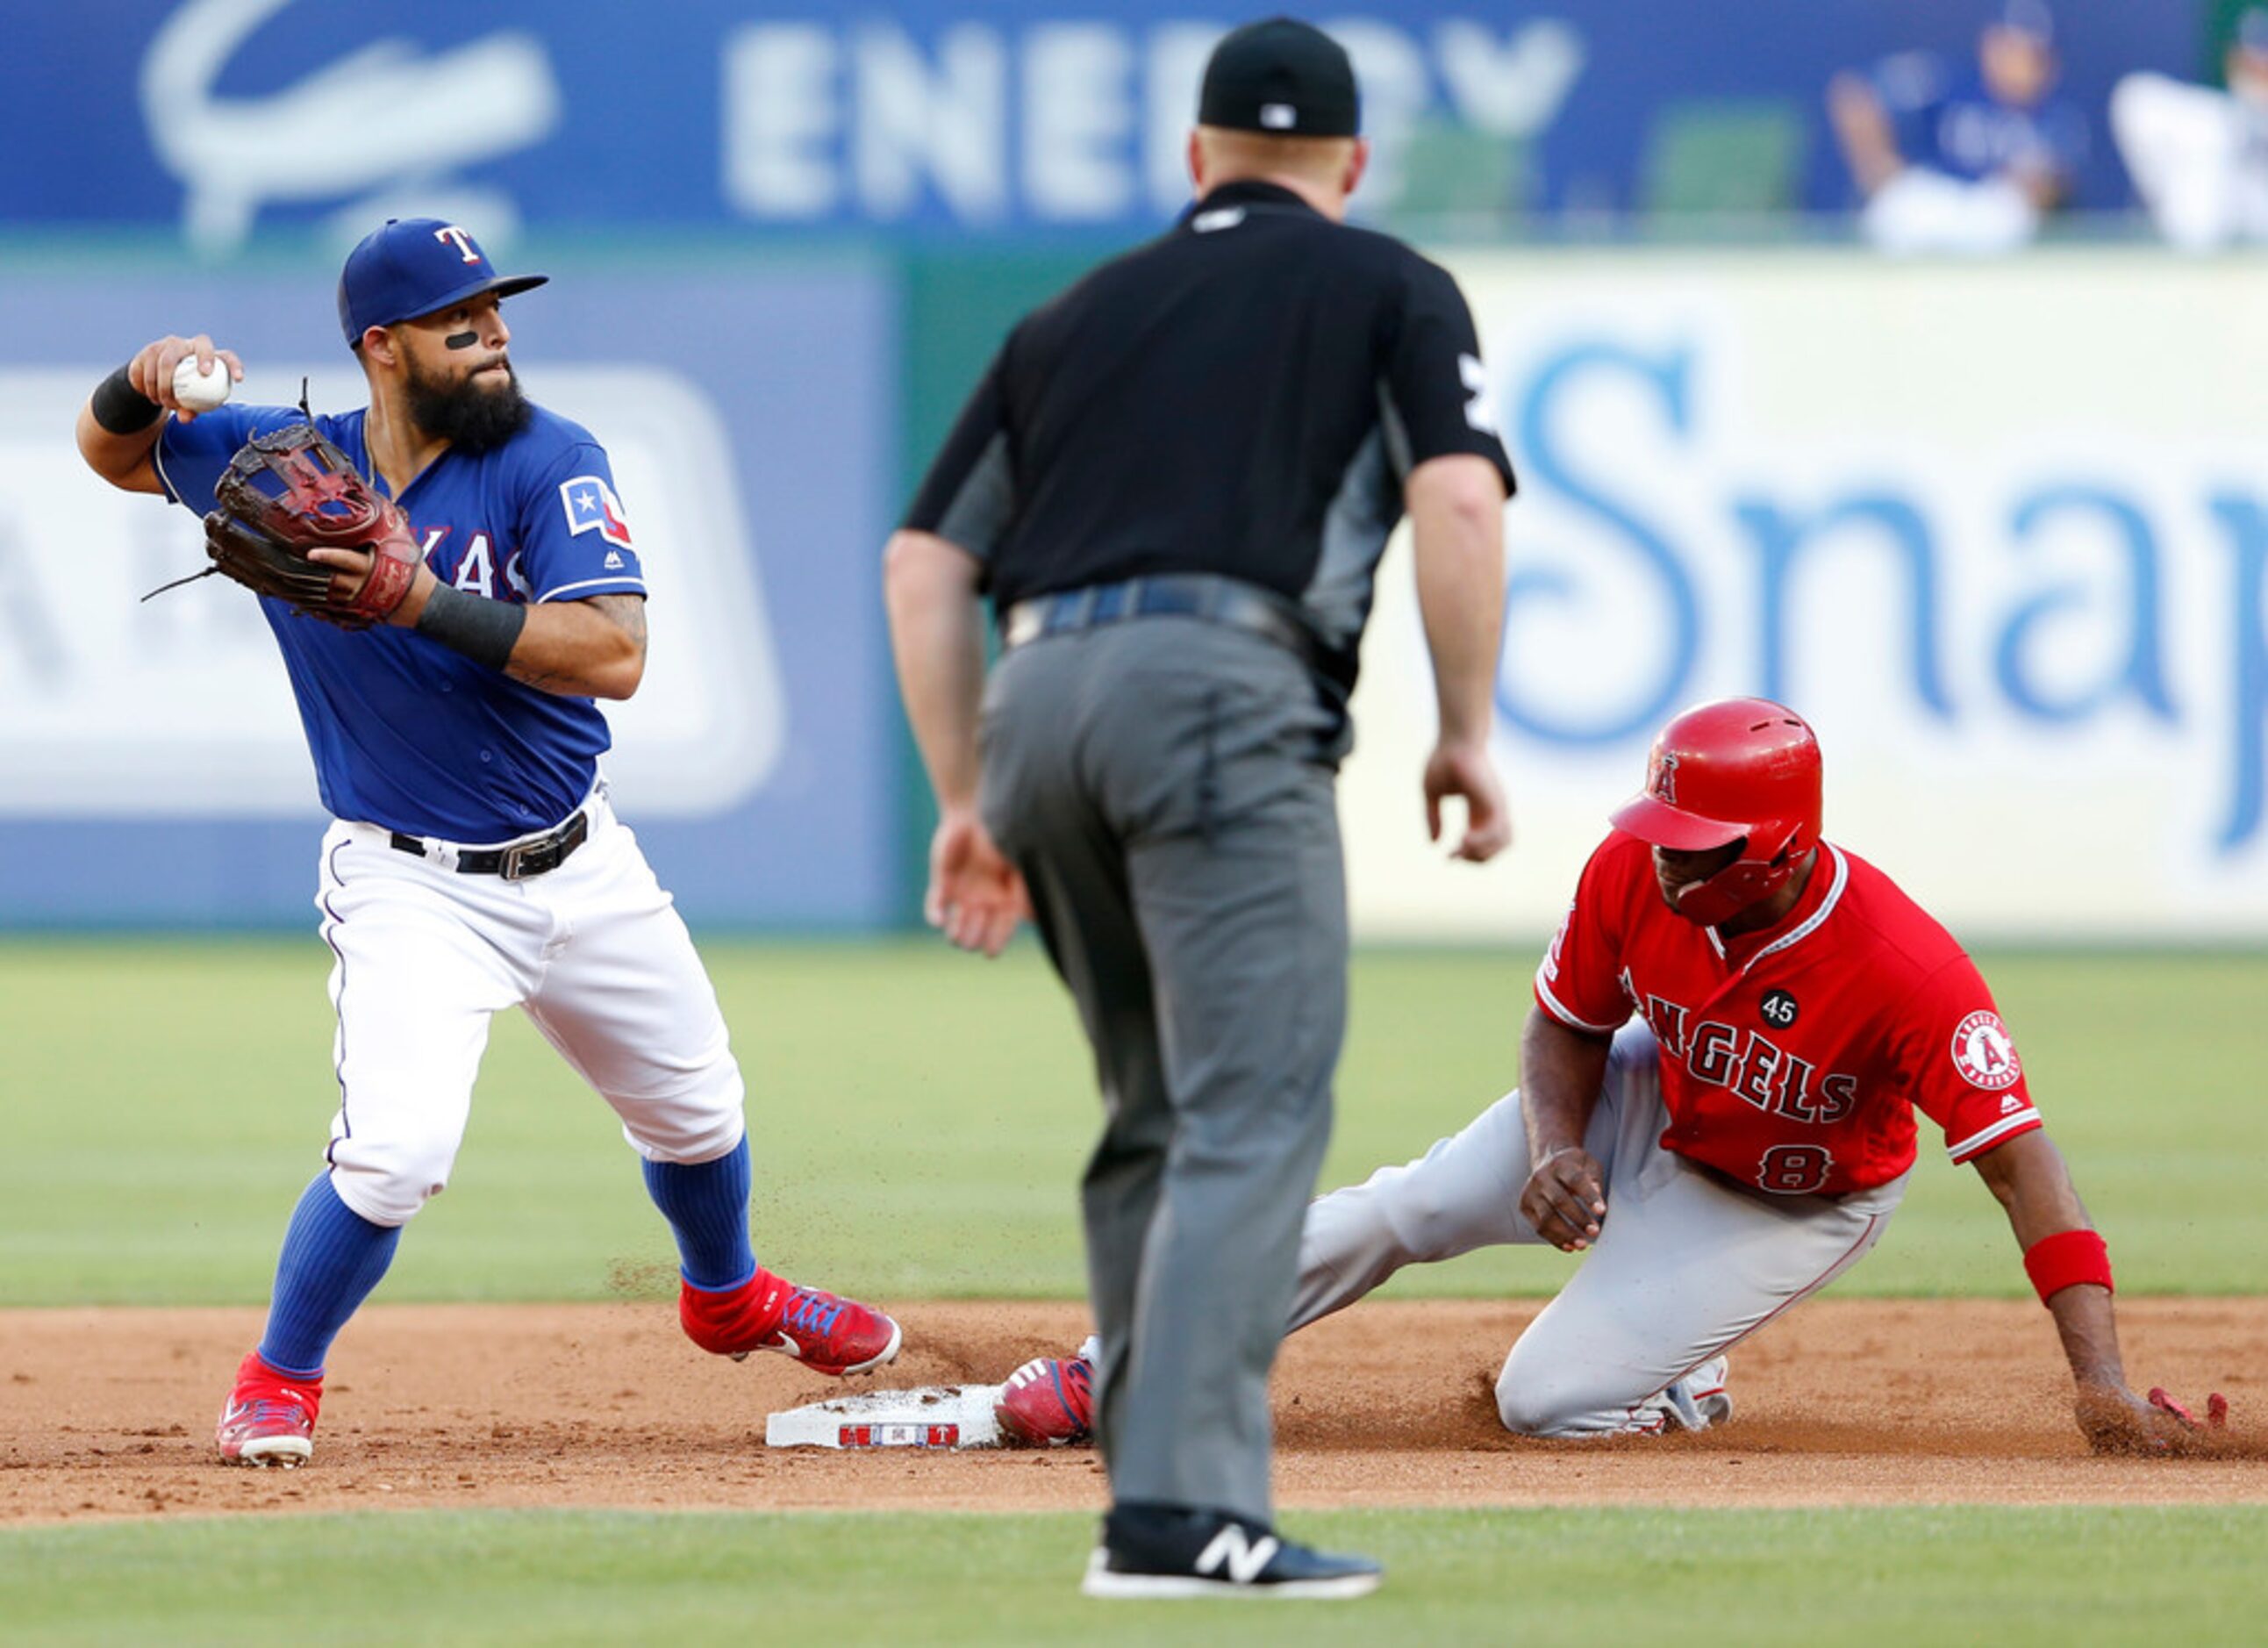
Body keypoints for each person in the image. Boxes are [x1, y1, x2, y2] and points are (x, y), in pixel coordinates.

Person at [75, 217, 900, 1470]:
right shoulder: (286, 463)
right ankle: (278, 1376)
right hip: (407, 879)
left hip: (579, 857)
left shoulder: (546, 459)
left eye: (499, 313)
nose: (497, 336)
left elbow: (614, 654)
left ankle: (727, 1296)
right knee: (395, 1153)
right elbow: (116, 458)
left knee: (698, 1115)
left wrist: (416, 596)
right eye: (465, 321)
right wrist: (133, 384)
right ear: (384, 347)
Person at [885, 15, 1514, 1600]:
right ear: (1351, 167)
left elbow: (924, 564)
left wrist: (965, 797)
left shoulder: (1074, 313)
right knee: (1254, 1111)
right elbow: (1455, 493)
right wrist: (1467, 731)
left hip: (1040, 711)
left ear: (1194, 161)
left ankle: (1149, 1498)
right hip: (1222, 697)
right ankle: (1192, 1513)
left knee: (1156, 1116)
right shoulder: (1390, 283)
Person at [1000, 698, 2222, 1455]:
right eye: (1664, 831)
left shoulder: (1906, 970)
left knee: (1546, 1402)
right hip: (1654, 1092)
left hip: (1796, 1196)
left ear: (1782, 851)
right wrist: (1555, 1146)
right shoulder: (1633, 871)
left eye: (1698, 849)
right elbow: (1564, 1025)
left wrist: (2101, 1385)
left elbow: (2026, 1171)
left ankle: (1677, 1372)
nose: (1666, 863)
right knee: (1407, 1206)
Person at [1827, 0, 2089, 254]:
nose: (2017, 63)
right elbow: (1854, 92)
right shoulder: (1947, 83)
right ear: (1988, 46)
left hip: (1992, 217)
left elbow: (2046, 190)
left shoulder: (2057, 118)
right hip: (1929, 202)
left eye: (2030, 55)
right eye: (2008, 48)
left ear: (2049, 64)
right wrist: (1880, 168)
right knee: (1899, 206)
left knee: (2007, 215)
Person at [2111, 8, 2268, 251]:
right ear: (2233, 61)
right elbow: (2131, 98)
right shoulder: (2208, 118)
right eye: (2254, 62)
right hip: (2187, 263)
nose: (2261, 72)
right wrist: (2234, 130)